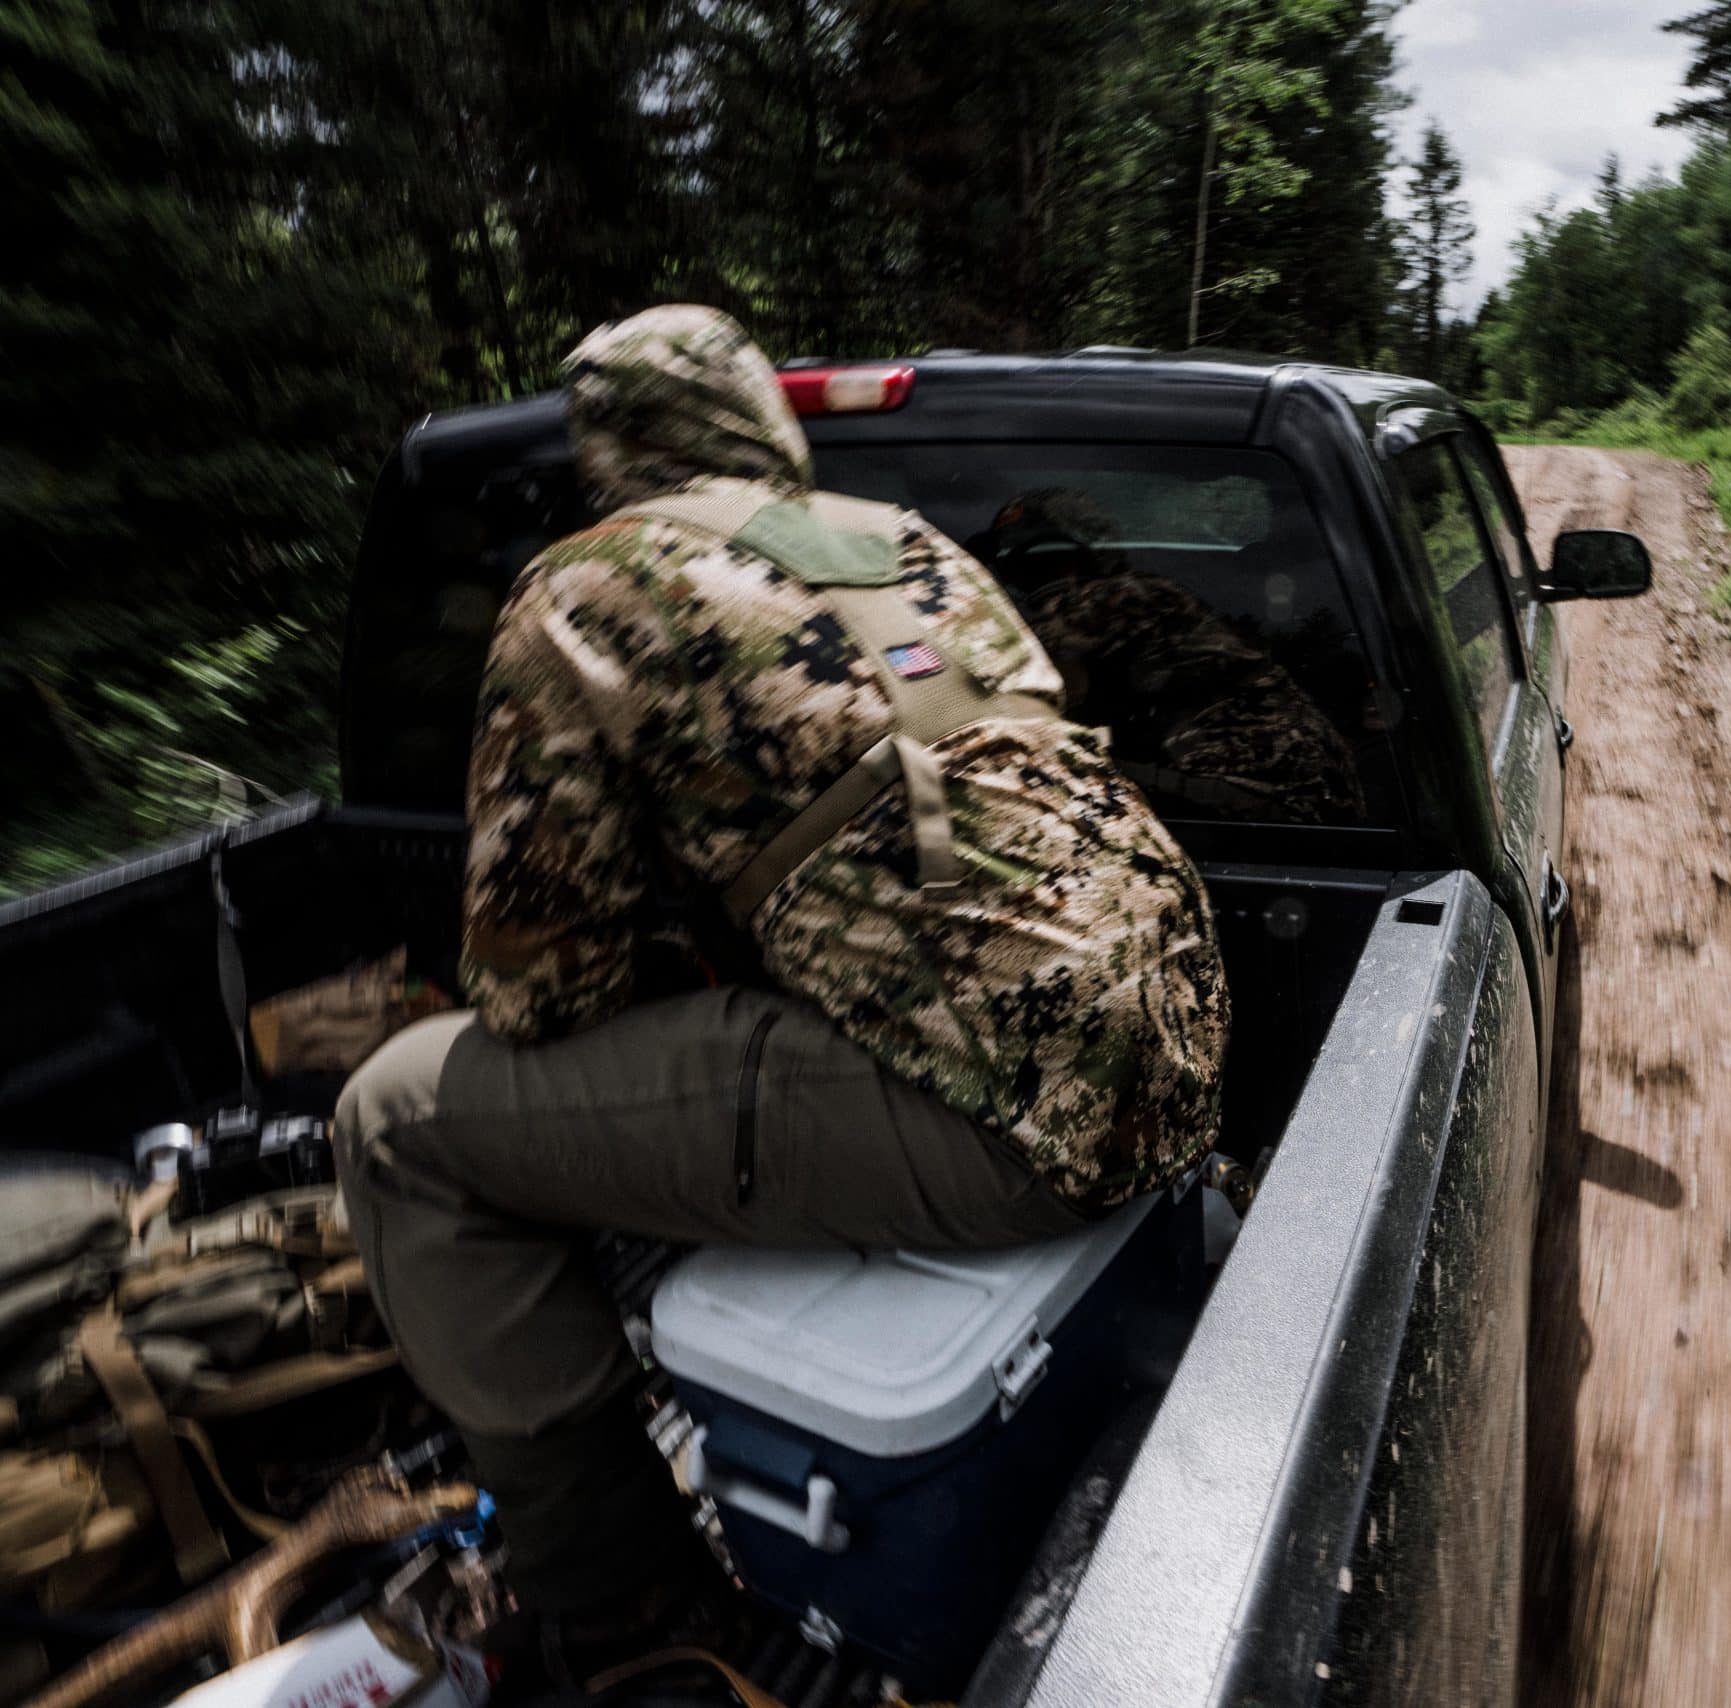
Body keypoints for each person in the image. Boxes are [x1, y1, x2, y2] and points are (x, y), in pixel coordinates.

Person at [331, 306, 1229, 1683]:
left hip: (1016, 1118)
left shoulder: (586, 584)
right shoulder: (914, 551)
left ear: (611, 446)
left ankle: (616, 1593)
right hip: (1177, 1037)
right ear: (761, 421)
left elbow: (535, 984)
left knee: (397, 1119)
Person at [968, 487, 1366, 825]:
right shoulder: (1140, 595)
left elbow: (999, 673)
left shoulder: (1120, 599)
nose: (1016, 576)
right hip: (1289, 790)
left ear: (1074, 557)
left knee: (1043, 772)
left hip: (1274, 797)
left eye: (1031, 560)